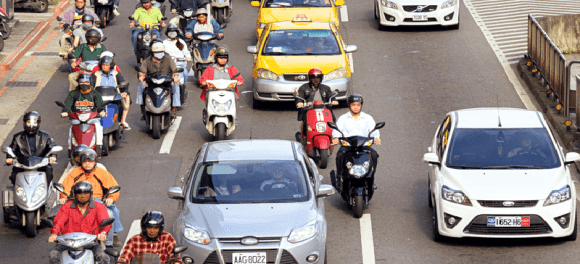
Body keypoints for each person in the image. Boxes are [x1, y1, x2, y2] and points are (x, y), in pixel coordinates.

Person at [59, 149, 123, 247]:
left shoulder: (102, 173)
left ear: (95, 162)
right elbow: (66, 186)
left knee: (110, 214)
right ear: (81, 162)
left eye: (90, 161)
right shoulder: (75, 172)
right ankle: (62, 241)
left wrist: (111, 198)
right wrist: (63, 197)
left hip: (97, 201)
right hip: (77, 200)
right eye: (85, 161)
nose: (88, 164)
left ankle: (109, 242)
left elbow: (113, 186)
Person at [48, 181, 111, 264]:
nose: (83, 196)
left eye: (86, 193)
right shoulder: (66, 207)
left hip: (91, 243)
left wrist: (103, 233)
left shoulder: (99, 207)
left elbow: (105, 221)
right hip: (68, 243)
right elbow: (58, 222)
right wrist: (54, 234)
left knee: (102, 257)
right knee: (53, 255)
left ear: (91, 194)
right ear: (74, 194)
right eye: (79, 193)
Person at [332, 94, 380, 174]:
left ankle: (371, 176)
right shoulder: (343, 118)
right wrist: (336, 138)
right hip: (348, 146)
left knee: (374, 155)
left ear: (361, 105)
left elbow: (374, 130)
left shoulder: (367, 118)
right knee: (340, 155)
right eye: (353, 105)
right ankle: (339, 176)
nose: (356, 107)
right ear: (349, 105)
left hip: (363, 146)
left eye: (358, 105)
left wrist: (376, 138)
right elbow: (337, 130)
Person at [5, 111, 56, 186]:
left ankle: (45, 192)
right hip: (22, 165)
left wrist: (53, 156)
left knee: (48, 173)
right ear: (24, 122)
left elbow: (51, 147)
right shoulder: (17, 137)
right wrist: (9, 157)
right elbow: (12, 149)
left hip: (40, 165)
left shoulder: (45, 136)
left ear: (38, 123)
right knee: (14, 176)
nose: (31, 125)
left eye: (34, 122)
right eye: (29, 122)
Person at [61, 73, 106, 152]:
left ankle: (99, 147)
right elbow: (68, 104)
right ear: (78, 82)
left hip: (92, 117)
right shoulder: (73, 93)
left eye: (86, 82)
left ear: (90, 83)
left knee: (98, 126)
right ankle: (70, 149)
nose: (84, 84)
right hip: (77, 117)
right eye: (82, 82)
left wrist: (102, 111)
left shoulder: (96, 94)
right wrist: (65, 111)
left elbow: (100, 105)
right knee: (72, 127)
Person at [137, 41, 181, 115]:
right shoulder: (147, 60)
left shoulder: (168, 59)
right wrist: (141, 77)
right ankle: (142, 104)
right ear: (153, 52)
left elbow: (175, 71)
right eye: (157, 52)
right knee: (141, 85)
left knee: (176, 86)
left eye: (161, 51)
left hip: (166, 80)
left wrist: (175, 77)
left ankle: (174, 106)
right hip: (151, 80)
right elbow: (142, 71)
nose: (159, 53)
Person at [295, 68, 337, 143]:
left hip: (324, 109)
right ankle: (305, 138)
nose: (316, 80)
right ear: (310, 78)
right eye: (313, 78)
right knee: (307, 122)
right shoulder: (304, 87)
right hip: (309, 109)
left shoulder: (326, 88)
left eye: (318, 78)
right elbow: (299, 97)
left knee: (333, 119)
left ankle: (333, 136)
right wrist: (299, 102)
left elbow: (331, 96)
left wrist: (333, 100)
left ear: (320, 78)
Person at [91, 54, 132, 130]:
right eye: (103, 65)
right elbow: (91, 86)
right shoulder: (96, 74)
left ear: (111, 65)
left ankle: (122, 121)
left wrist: (125, 92)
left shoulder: (116, 74)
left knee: (127, 98)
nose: (105, 67)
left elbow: (122, 83)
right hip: (100, 98)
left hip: (114, 97)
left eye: (107, 65)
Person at [163, 23, 191, 95]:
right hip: (167, 65)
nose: (172, 33)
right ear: (167, 33)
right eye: (170, 32)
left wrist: (188, 57)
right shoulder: (164, 42)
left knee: (185, 73)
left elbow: (186, 52)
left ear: (177, 32)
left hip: (180, 64)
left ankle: (183, 88)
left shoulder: (181, 42)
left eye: (174, 32)